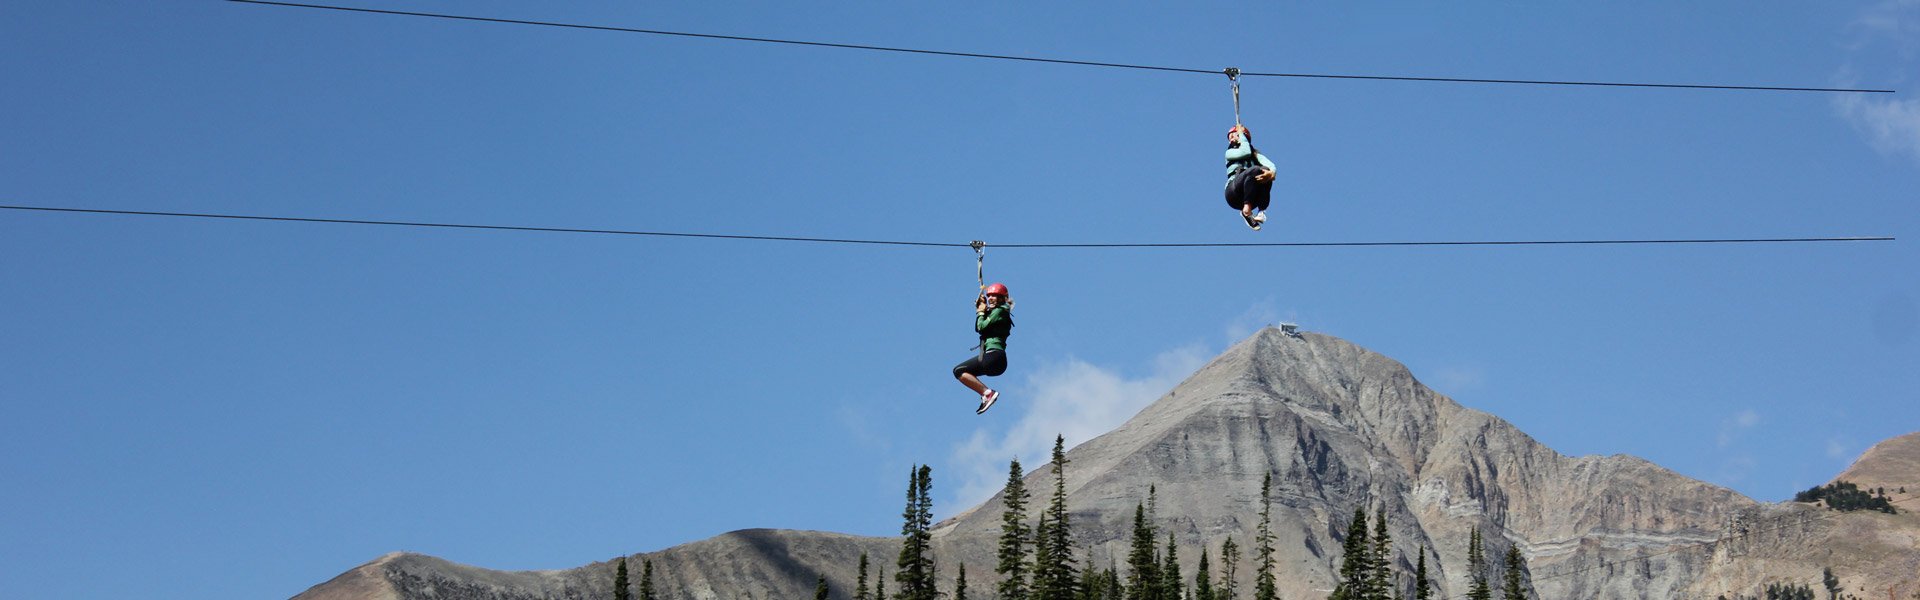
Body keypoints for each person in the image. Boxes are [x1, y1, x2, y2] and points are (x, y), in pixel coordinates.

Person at [953, 282, 1013, 414]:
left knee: (959, 371)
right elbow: (980, 328)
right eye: (989, 295)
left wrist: (980, 312)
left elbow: (981, 327)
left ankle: (988, 393)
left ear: (1002, 298)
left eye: (994, 296)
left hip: (994, 357)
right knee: (959, 371)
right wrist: (982, 310)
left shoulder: (1000, 311)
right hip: (996, 360)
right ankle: (987, 393)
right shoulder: (997, 313)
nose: (990, 298)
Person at [1224, 124, 1277, 230]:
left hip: (1252, 195)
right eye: (1231, 137)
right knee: (1256, 170)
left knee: (1265, 172)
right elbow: (1245, 152)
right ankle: (1246, 210)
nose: (1232, 139)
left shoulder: (1256, 155)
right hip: (1234, 191)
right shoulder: (1229, 152)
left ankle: (1261, 212)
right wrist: (1241, 135)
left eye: (1235, 135)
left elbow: (1271, 166)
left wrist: (1271, 174)